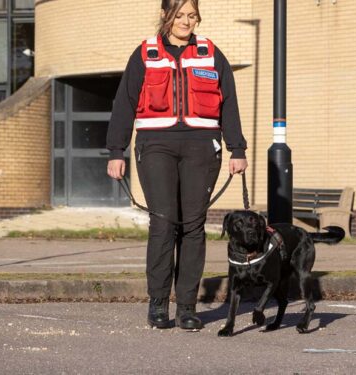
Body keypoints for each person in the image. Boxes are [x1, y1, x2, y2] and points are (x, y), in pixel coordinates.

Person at [106, 0, 248, 330]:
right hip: (156, 145)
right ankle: (158, 304)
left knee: (193, 226)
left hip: (202, 146)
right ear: (165, 15)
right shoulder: (145, 53)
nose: (186, 22)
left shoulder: (211, 53)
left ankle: (186, 306)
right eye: (179, 15)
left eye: (192, 16)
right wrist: (116, 151)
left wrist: (237, 148)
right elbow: (124, 104)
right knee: (164, 223)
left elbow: (229, 102)